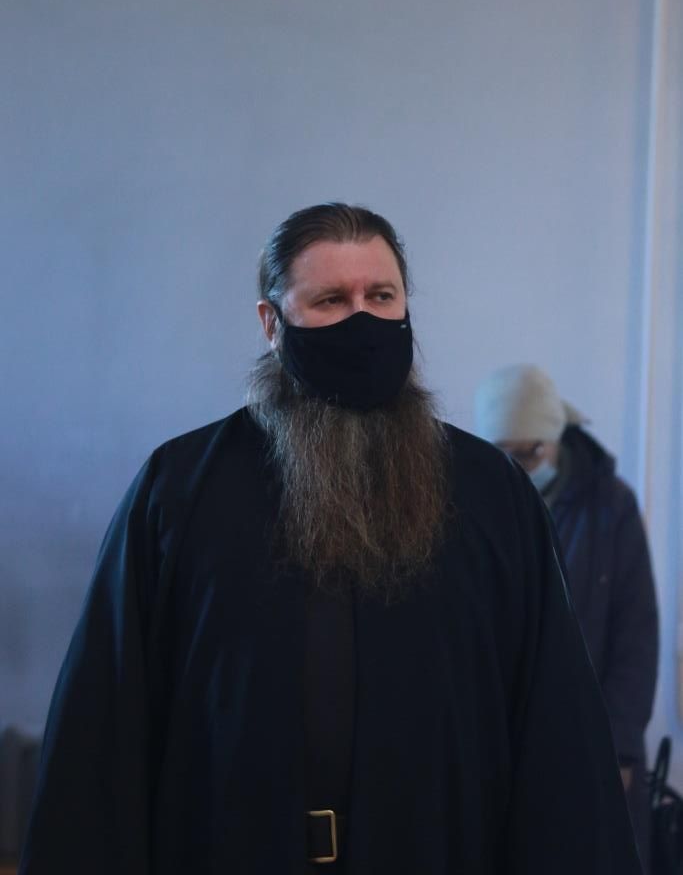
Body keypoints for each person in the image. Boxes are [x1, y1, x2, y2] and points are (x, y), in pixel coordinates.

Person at [20, 204, 642, 874]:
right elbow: (107, 724)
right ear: (272, 323)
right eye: (330, 300)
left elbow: (552, 722)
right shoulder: (179, 492)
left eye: (382, 296)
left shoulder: (491, 494)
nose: (362, 320)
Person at [475, 363, 659, 872]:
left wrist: (619, 751)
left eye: (530, 452)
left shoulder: (611, 507)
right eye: (504, 454)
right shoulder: (476, 508)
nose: (519, 466)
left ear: (555, 439)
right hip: (509, 750)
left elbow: (636, 638)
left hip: (594, 742)